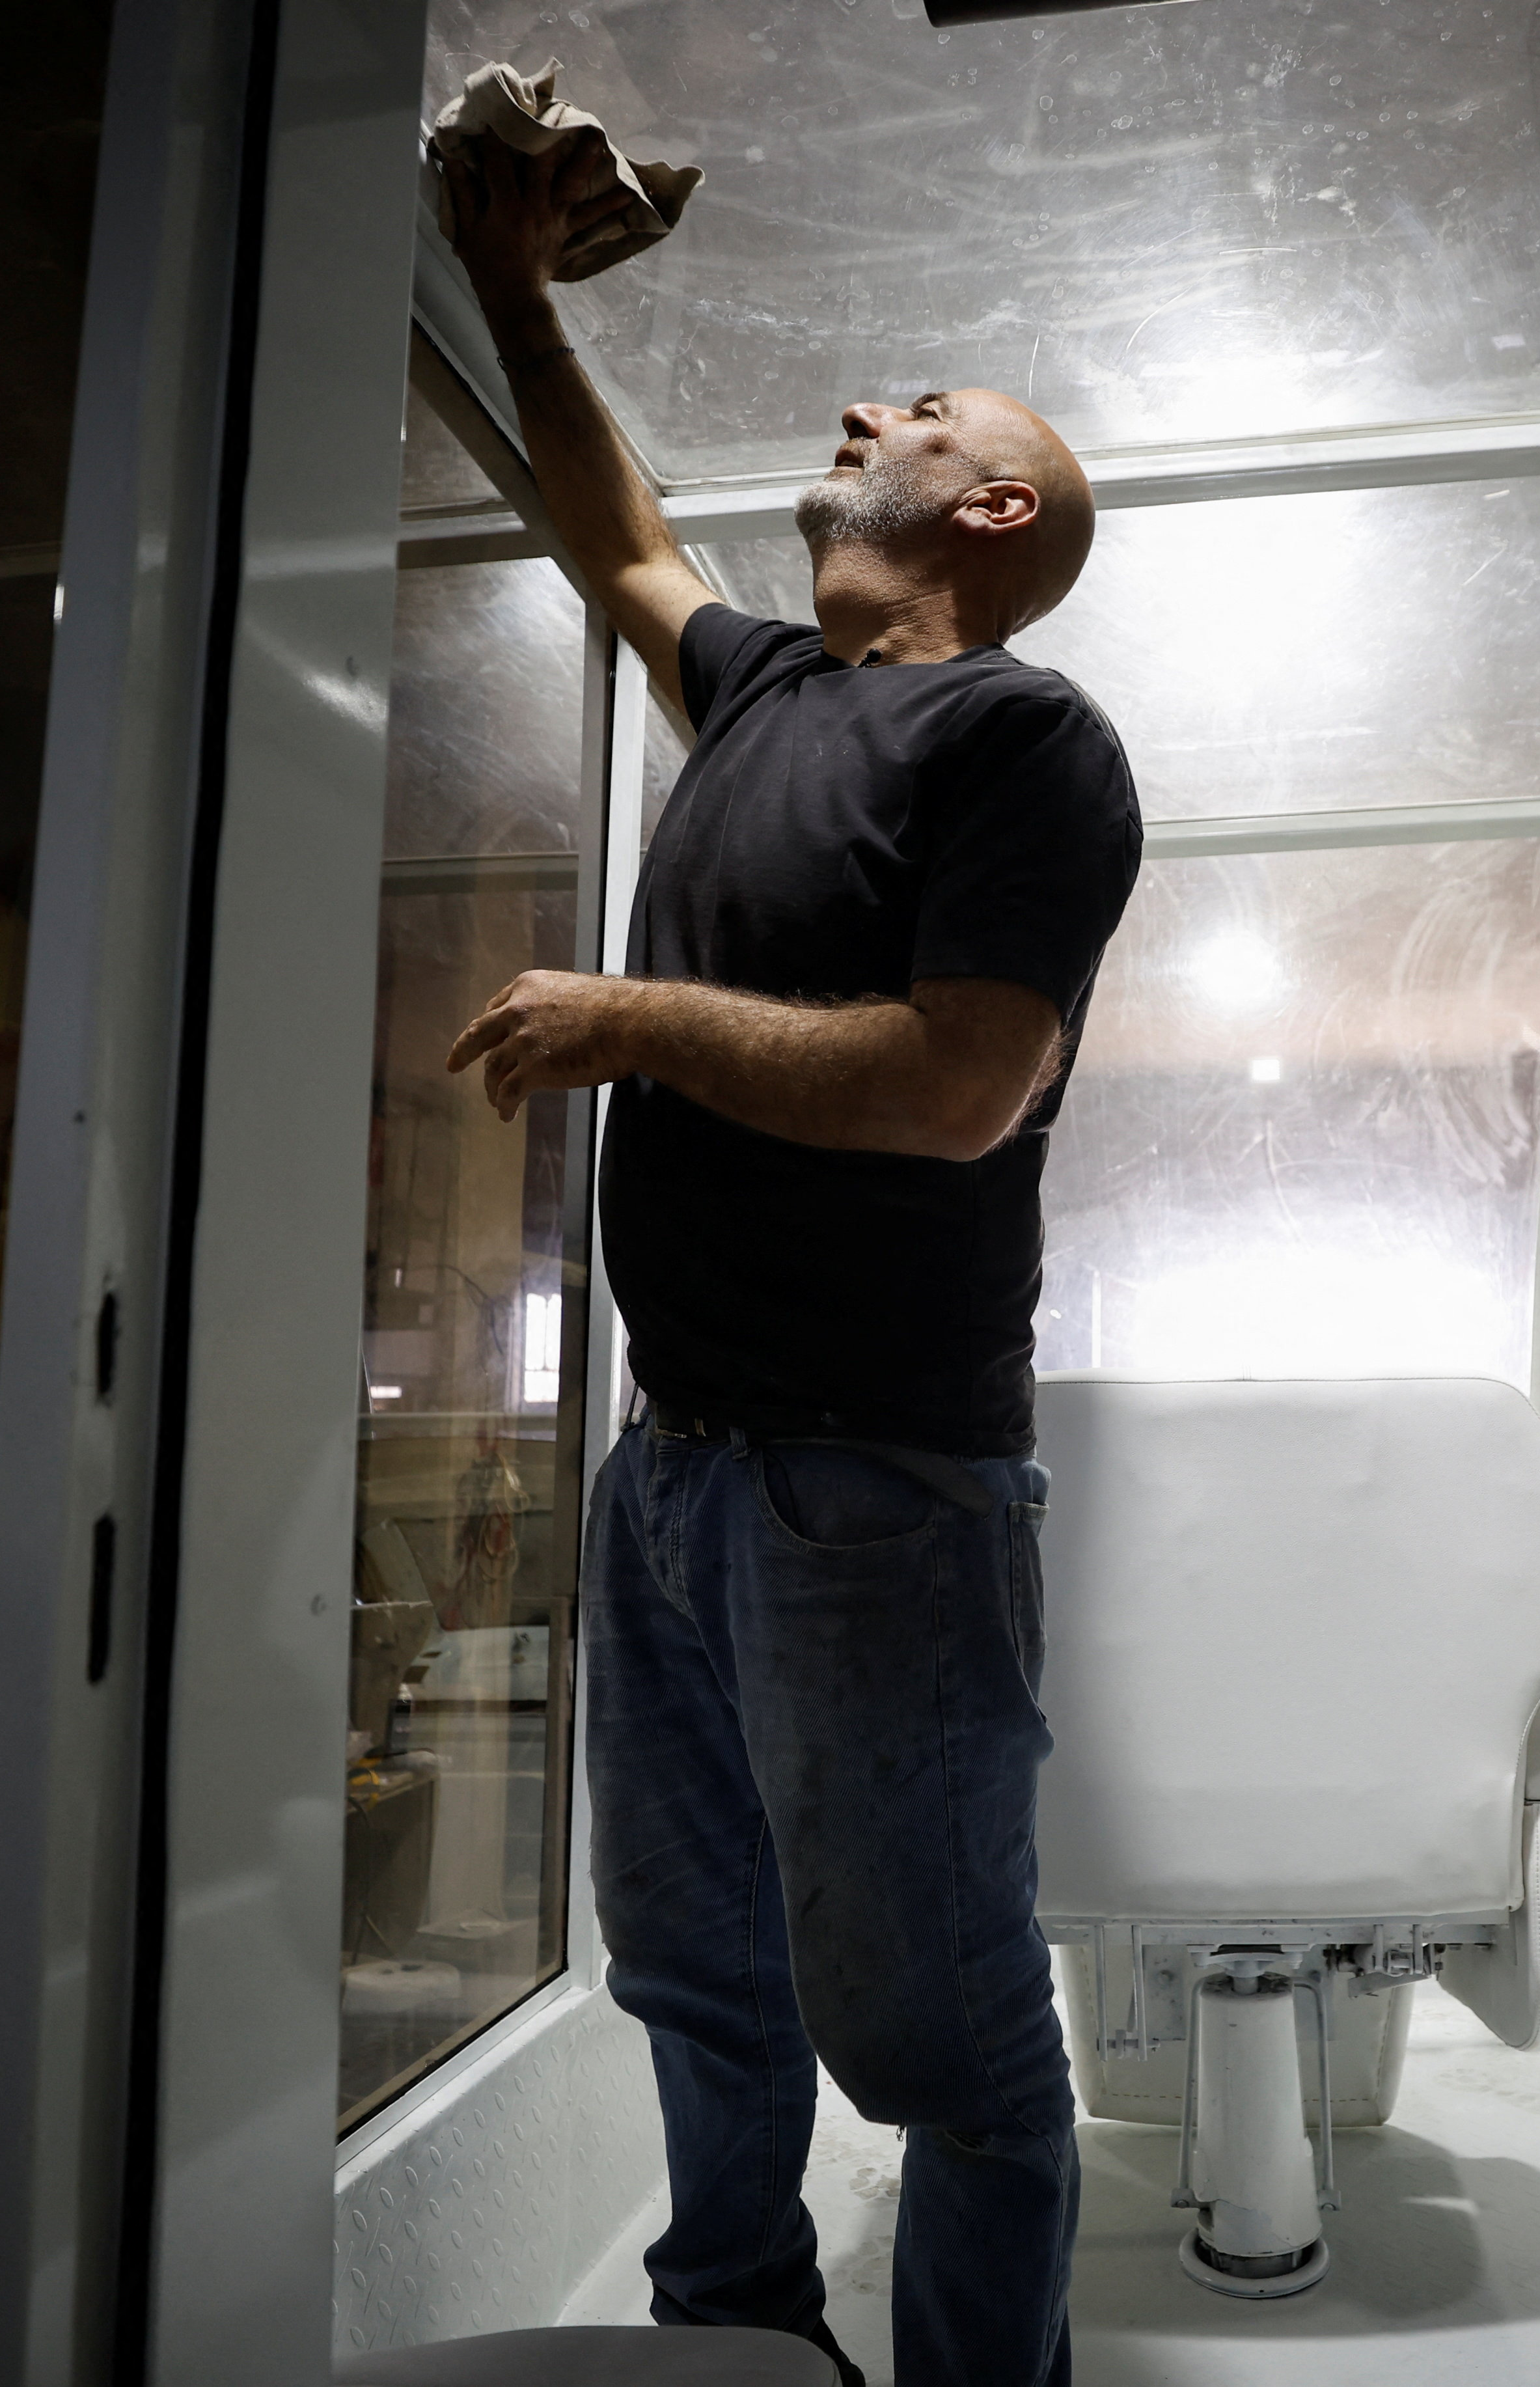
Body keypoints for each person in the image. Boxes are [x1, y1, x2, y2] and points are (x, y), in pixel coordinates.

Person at [439, 124, 1139, 2387]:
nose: (864, 418)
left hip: (877, 1479)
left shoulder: (1021, 734)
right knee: (699, 1974)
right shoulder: (759, 696)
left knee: (941, 2043)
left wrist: (630, 1019)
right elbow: (620, 539)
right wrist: (515, 283)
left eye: (922, 416)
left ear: (998, 509)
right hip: (682, 1469)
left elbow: (960, 1084)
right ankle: (734, 2344)